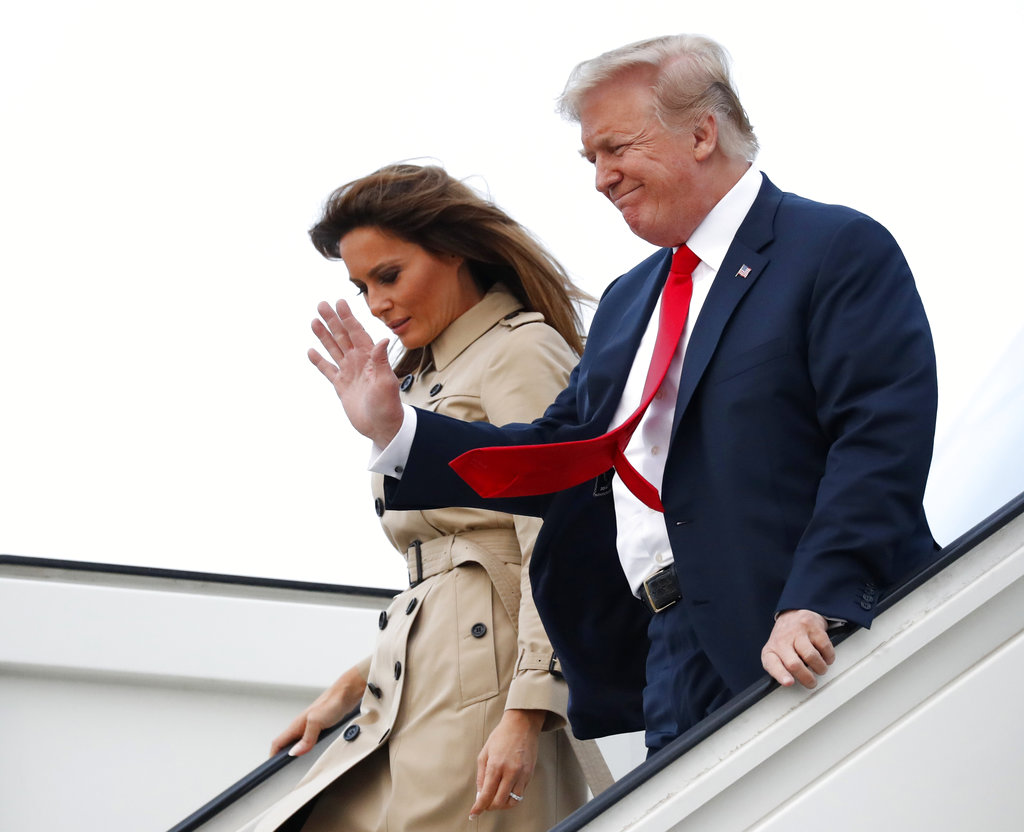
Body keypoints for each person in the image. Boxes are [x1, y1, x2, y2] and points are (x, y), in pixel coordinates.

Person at [320, 35, 940, 755]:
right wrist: (399, 431)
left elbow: (877, 440)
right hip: (668, 651)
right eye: (591, 158)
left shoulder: (832, 247)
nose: (600, 179)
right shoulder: (626, 302)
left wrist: (817, 597)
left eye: (615, 149)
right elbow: (557, 454)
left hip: (802, 629)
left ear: (702, 134)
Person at [251, 164, 596, 832]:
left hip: (487, 688)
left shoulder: (520, 349)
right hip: (420, 680)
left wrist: (527, 710)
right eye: (362, 287)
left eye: (389, 275)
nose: (376, 304)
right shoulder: (416, 380)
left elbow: (556, 538)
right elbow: (445, 578)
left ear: (454, 250)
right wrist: (355, 685)